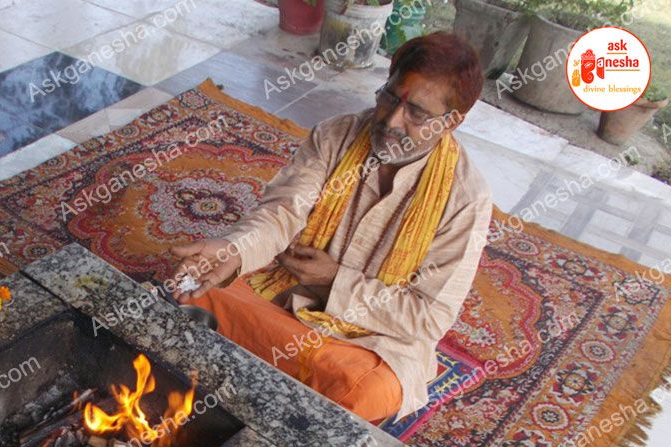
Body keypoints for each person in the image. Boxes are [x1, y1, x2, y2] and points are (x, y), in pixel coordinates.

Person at [169, 32, 492, 422]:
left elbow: (427, 316)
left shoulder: (465, 199)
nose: (391, 120)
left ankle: (257, 370)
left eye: (417, 114)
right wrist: (234, 249)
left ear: (452, 121)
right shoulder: (336, 135)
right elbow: (282, 213)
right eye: (390, 98)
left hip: (366, 341)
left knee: (364, 390)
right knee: (190, 287)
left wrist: (334, 281)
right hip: (282, 296)